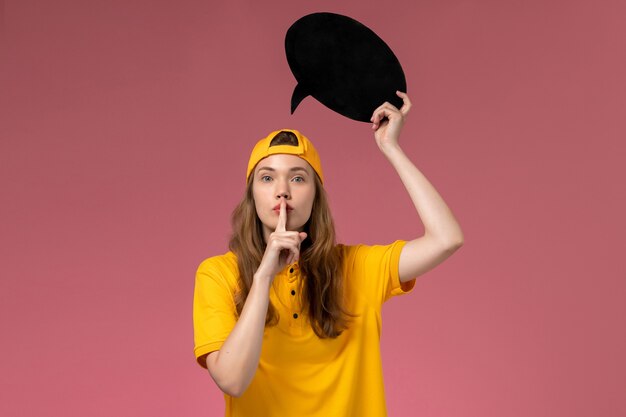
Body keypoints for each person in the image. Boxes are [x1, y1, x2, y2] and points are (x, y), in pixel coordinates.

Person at [193, 92, 464, 416]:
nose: (283, 189)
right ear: (252, 195)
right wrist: (264, 277)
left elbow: (446, 238)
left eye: (297, 177)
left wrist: (391, 148)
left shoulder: (356, 268)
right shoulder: (219, 274)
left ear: (315, 196)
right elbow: (232, 381)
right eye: (267, 178)